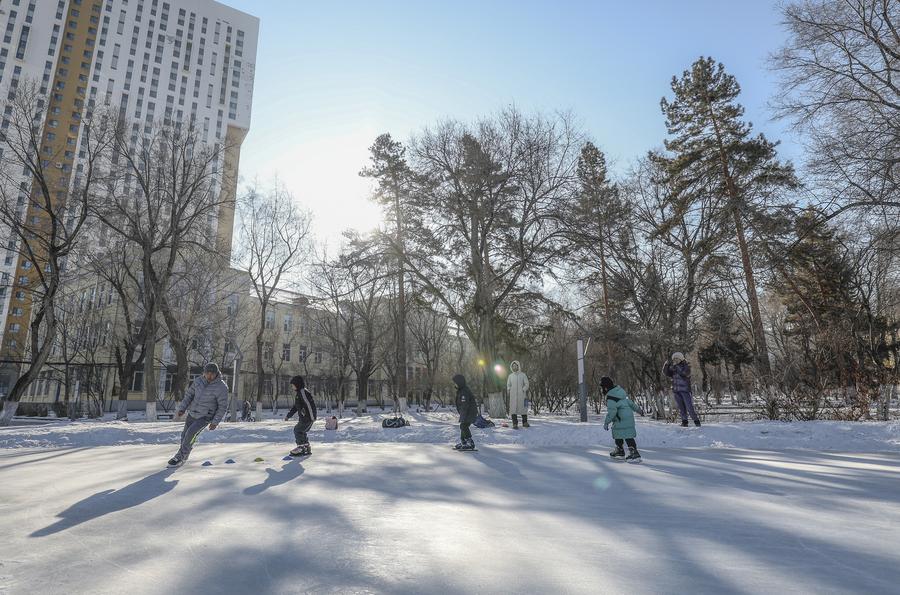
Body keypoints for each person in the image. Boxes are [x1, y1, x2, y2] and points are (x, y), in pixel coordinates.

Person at [167, 363, 229, 468]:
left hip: (205, 417)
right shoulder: (198, 381)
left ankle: (179, 457)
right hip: (192, 413)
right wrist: (182, 408)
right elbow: (189, 395)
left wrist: (215, 422)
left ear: (216, 374)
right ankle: (184, 456)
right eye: (207, 373)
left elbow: (222, 407)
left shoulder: (221, 387)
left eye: (212, 374)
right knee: (184, 435)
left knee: (190, 434)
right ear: (204, 373)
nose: (209, 376)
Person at [601, 376, 643, 462]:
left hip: (620, 418)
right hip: (628, 416)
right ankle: (623, 451)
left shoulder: (611, 397)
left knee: (621, 433)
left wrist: (606, 422)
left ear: (605, 387)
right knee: (625, 434)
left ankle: (631, 453)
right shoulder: (620, 392)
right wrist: (638, 410)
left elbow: (612, 412)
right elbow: (630, 403)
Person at [664, 352, 701, 427]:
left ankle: (696, 421)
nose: (675, 360)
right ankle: (684, 422)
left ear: (681, 358)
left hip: (685, 390)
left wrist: (676, 366)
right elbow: (666, 373)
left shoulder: (686, 366)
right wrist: (666, 365)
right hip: (676, 391)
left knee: (689, 407)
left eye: (677, 358)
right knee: (681, 408)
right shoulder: (674, 367)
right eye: (674, 359)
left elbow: (684, 373)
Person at [285, 375, 317, 456]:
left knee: (297, 430)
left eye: (293, 385)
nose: (292, 387)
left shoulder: (303, 392)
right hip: (305, 417)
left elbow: (309, 405)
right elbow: (296, 406)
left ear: (297, 384)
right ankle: (306, 447)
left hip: (308, 417)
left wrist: (311, 417)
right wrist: (289, 415)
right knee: (302, 431)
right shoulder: (299, 393)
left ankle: (301, 448)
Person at [452, 374, 478, 451]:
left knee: (463, 426)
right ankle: (464, 442)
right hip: (467, 413)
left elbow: (464, 405)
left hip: (469, 413)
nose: (454, 384)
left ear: (459, 382)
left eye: (455, 383)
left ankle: (470, 443)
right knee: (463, 426)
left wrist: (462, 416)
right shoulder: (461, 390)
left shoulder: (464, 391)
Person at [506, 360, 530, 429]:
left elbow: (527, 384)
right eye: (513, 366)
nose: (514, 367)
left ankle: (525, 422)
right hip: (513, 395)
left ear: (518, 366)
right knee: (513, 409)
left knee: (523, 409)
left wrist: (523, 389)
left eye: (515, 366)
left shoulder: (523, 375)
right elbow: (508, 384)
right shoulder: (510, 376)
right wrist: (509, 389)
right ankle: (515, 424)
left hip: (522, 395)